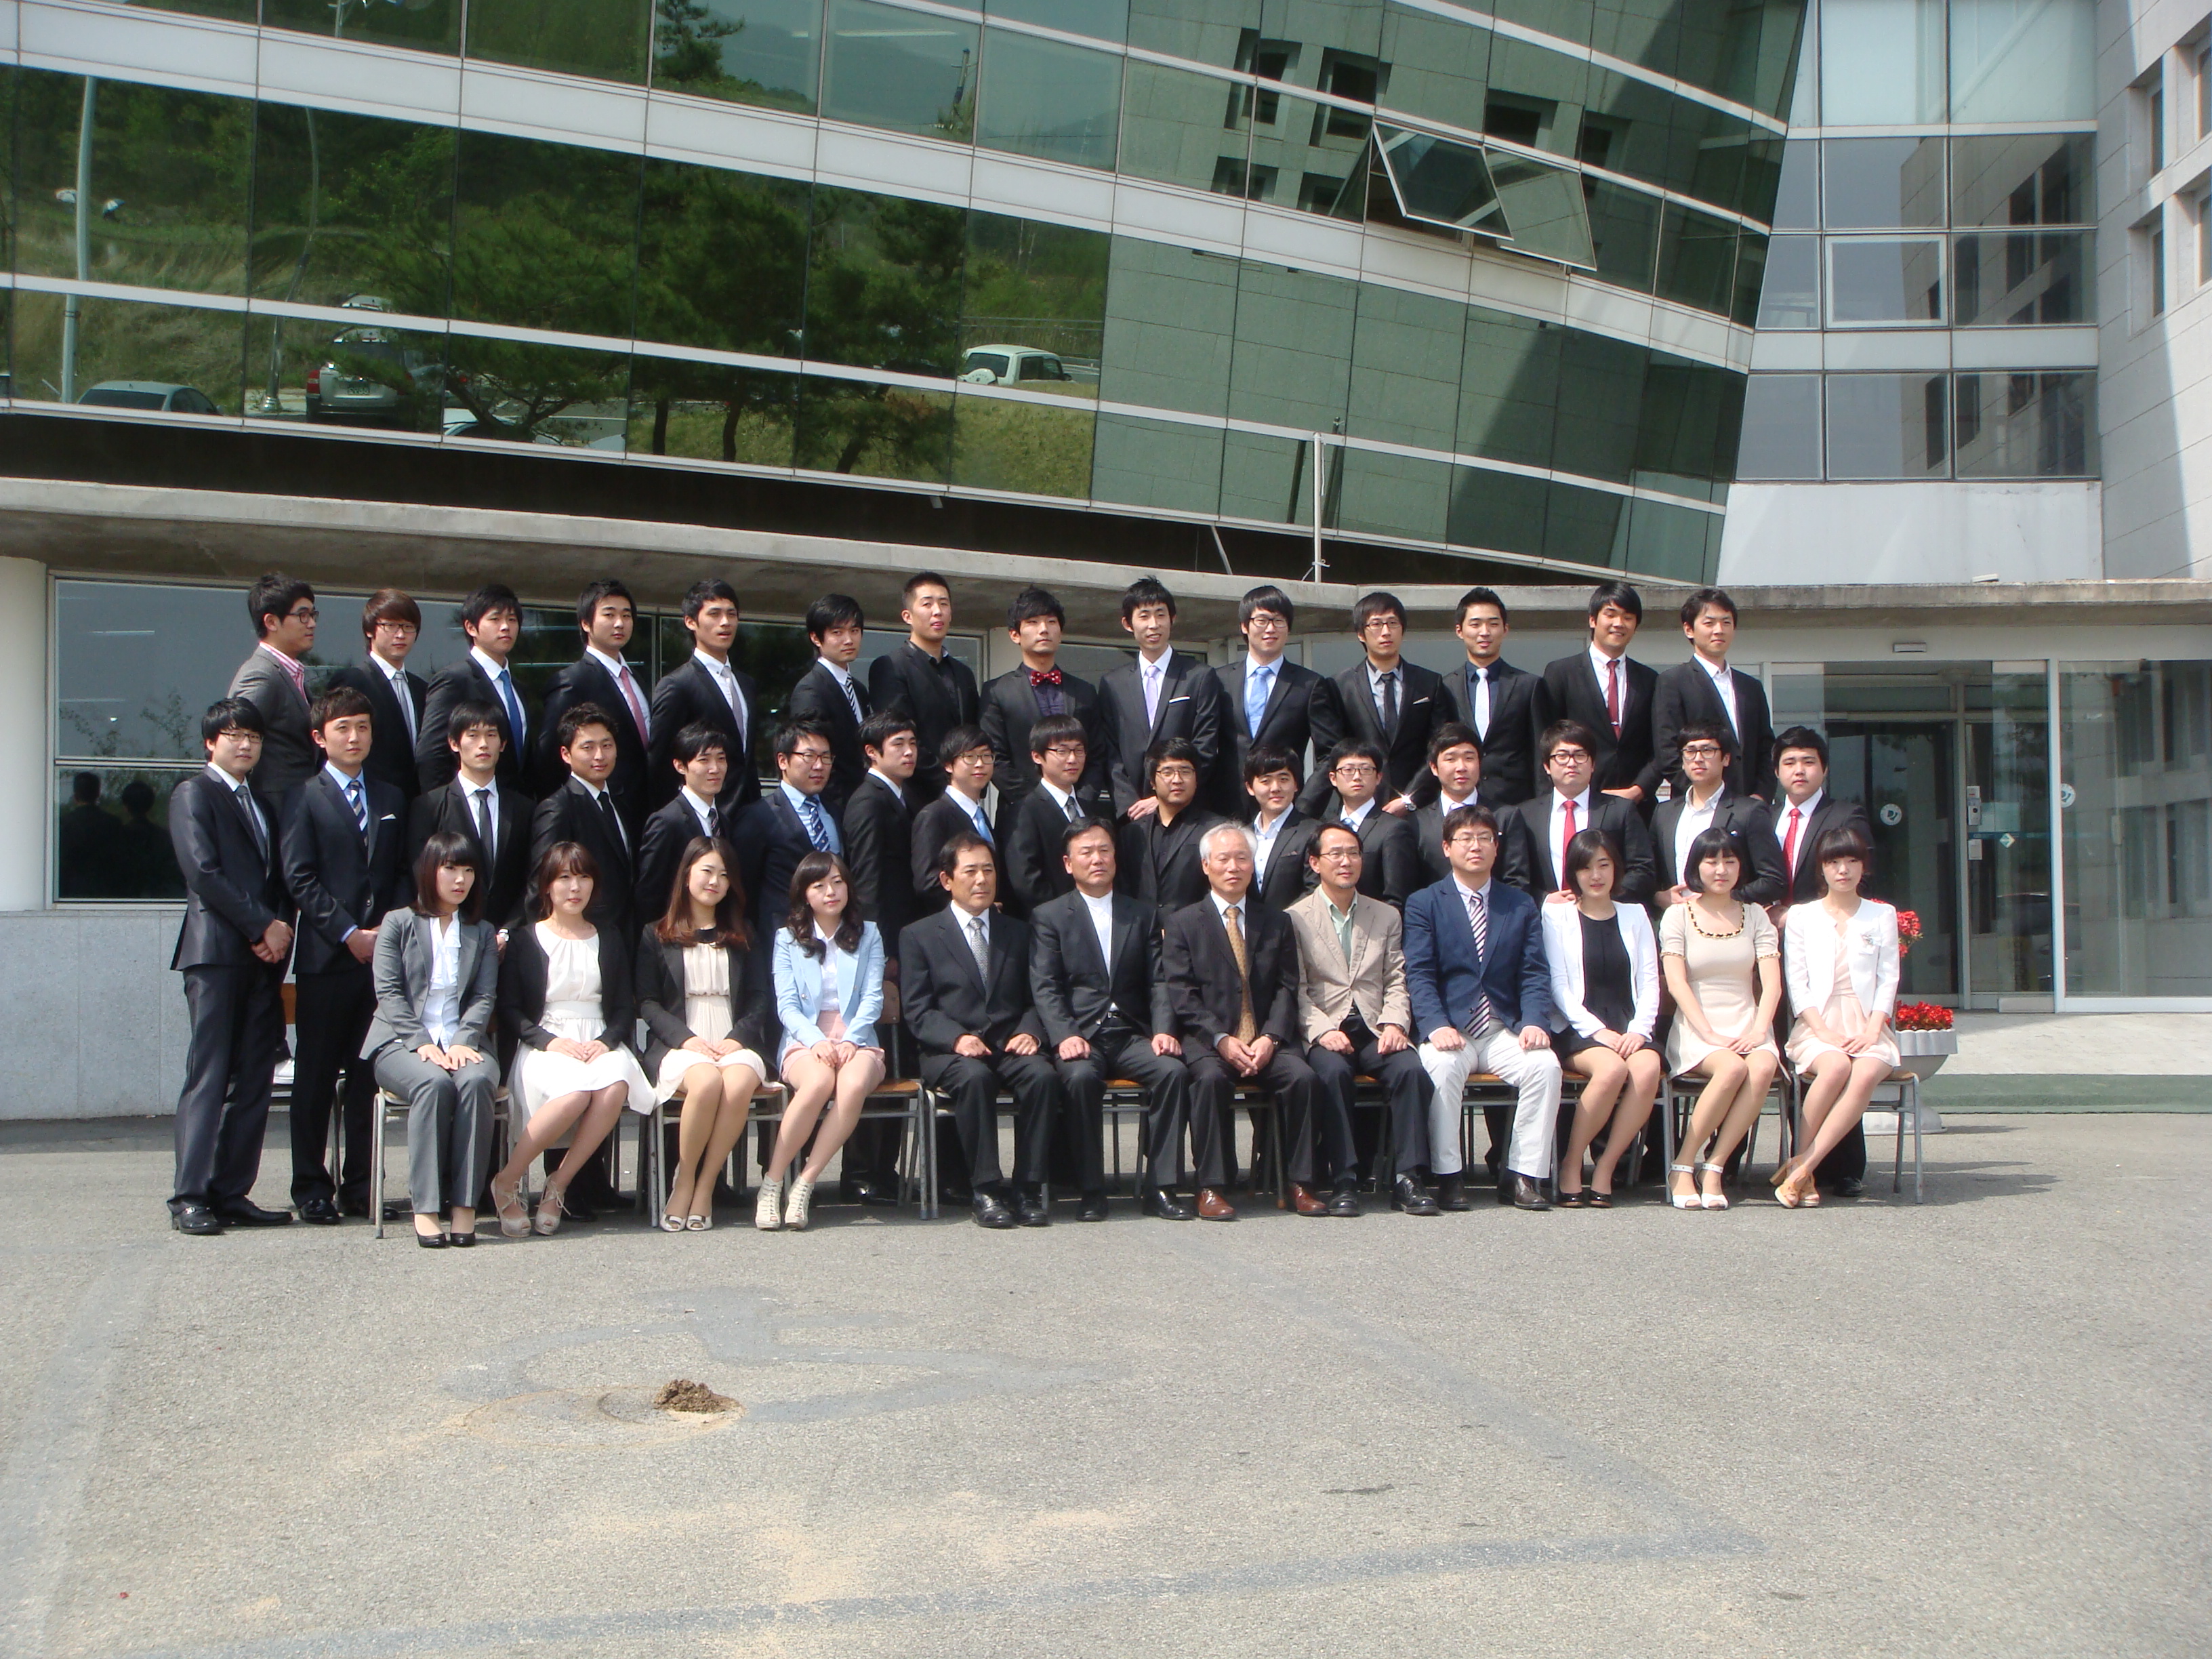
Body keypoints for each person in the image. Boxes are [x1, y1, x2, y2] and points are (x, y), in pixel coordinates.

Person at [166, 698, 295, 1235]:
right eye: (234, 735)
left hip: (262, 962)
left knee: (255, 1079)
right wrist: (260, 925)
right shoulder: (194, 793)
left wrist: (279, 931)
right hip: (216, 955)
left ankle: (232, 1191)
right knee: (211, 1075)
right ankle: (190, 1197)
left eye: (254, 737)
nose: (245, 745)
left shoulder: (262, 803)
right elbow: (203, 872)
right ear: (210, 742)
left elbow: (280, 878)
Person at [281, 685, 409, 1222]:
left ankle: (360, 1186)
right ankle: (311, 1187)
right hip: (327, 959)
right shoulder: (302, 797)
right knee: (314, 1078)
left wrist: (384, 932)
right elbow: (299, 877)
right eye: (342, 728)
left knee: (365, 1077)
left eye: (362, 727)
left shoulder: (391, 797)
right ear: (320, 737)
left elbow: (402, 871)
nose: (354, 737)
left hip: (379, 960)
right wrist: (349, 932)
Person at [1160, 823, 1324, 1223]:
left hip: (1267, 1038)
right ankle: (1211, 1187)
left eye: (1242, 858)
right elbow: (1182, 993)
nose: (1233, 867)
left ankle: (1301, 1182)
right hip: (1210, 1039)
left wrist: (1271, 1037)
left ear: (1253, 865)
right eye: (1223, 859)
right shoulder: (1183, 923)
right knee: (1209, 1081)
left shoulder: (1277, 921)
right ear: (1206, 866)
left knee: (1303, 1078)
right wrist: (1220, 1038)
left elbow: (1287, 987)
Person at [1404, 804, 1563, 1212]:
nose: (1475, 846)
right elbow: (1419, 973)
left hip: (1500, 1028)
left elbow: (1534, 971)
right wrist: (1435, 1024)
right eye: (1465, 839)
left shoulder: (1519, 904)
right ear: (1447, 847)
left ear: (1496, 847)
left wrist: (1534, 1021)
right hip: (1451, 1027)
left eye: (1484, 838)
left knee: (1545, 1066)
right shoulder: (1424, 903)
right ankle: (1448, 1177)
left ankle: (1522, 1176)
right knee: (1442, 1067)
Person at [1029, 819, 1189, 1221]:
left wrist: (1163, 1030)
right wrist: (1064, 1034)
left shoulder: (1142, 913)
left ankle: (1162, 1187)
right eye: (1086, 852)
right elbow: (1046, 986)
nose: (1097, 859)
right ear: (1068, 864)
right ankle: (1091, 1189)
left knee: (1172, 1071)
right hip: (1083, 1034)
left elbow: (1159, 980)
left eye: (1104, 850)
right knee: (1080, 1079)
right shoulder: (1050, 916)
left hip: (1132, 1033)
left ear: (1116, 858)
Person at [492, 842, 653, 1237]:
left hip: (598, 1037)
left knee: (615, 1085)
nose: (575, 887)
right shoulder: (525, 939)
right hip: (545, 1040)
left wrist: (607, 1040)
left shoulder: (608, 937)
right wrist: (548, 1040)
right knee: (576, 1093)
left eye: (583, 877)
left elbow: (622, 1006)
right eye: (564, 877)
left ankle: (558, 1185)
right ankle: (507, 1180)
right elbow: (510, 1009)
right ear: (547, 885)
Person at [901, 835, 1060, 1228]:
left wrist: (1031, 1032)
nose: (982, 880)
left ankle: (1027, 1188)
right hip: (949, 1050)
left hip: (1009, 1043)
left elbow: (1037, 996)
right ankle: (986, 1189)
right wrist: (957, 1038)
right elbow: (918, 1010)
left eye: (988, 870)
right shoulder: (920, 935)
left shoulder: (1019, 932)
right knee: (974, 1079)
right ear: (946, 880)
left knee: (1042, 1076)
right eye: (970, 871)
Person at [364, 832, 500, 1248]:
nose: (460, 880)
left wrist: (464, 1040)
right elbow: (388, 991)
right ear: (429, 871)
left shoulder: (481, 931)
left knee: (477, 1081)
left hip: (464, 1041)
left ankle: (465, 1205)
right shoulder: (398, 922)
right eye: (450, 869)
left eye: (468, 870)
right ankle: (424, 1207)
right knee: (433, 1083)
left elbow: (484, 996)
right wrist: (420, 1041)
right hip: (400, 1043)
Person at [1287, 823, 1429, 1216]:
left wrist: (1395, 1023)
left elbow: (1397, 978)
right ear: (1315, 862)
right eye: (1335, 854)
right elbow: (1296, 989)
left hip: (1375, 1025)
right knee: (1332, 1074)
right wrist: (1321, 1031)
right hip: (1327, 1026)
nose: (1345, 861)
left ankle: (1409, 1178)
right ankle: (1345, 1178)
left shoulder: (1385, 915)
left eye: (1353, 853)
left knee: (1411, 1071)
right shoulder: (1295, 918)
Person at [637, 837, 775, 1231]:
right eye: (707, 872)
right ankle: (684, 1179)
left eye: (724, 875)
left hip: (734, 1038)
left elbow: (759, 996)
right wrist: (685, 1039)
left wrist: (738, 1037)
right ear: (686, 876)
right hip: (679, 1042)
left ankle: (706, 1184)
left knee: (738, 1081)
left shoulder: (743, 933)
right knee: (707, 1081)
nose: (715, 882)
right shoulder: (656, 934)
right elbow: (647, 1002)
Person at [1771, 726, 1877, 1195]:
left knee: (1841, 1057)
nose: (1800, 770)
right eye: (1790, 762)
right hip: (1767, 948)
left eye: (1809, 762)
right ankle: (1798, 1163)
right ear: (1777, 772)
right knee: (1791, 1059)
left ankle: (1842, 1167)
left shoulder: (1844, 815)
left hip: (1825, 945)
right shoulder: (1762, 816)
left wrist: (1798, 915)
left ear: (1824, 769)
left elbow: (1853, 877)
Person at [1774, 827, 1901, 1209]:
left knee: (1864, 1072)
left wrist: (1873, 1030)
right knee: (1834, 1068)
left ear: (1864, 866)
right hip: (1818, 1022)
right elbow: (1797, 982)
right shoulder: (1802, 916)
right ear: (1822, 868)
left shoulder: (1882, 914)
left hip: (1868, 1023)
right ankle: (1806, 1171)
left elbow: (1888, 978)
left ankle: (1801, 1169)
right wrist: (1823, 1031)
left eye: (1851, 861)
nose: (1843, 870)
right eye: (1834, 862)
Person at [1659, 826, 1784, 1212]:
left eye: (1730, 861)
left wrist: (1759, 1031)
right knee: (1731, 1068)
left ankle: (1714, 1166)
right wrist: (1709, 1032)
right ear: (1696, 867)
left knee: (1762, 1066)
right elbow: (1677, 983)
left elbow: (1772, 985)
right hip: (1697, 1026)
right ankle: (1683, 1165)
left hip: (1748, 1022)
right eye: (1711, 861)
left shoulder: (1756, 916)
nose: (1721, 869)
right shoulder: (1678, 915)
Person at [762, 851, 886, 1232]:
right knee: (817, 1082)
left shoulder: (869, 934)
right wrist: (816, 1041)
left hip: (858, 1036)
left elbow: (873, 998)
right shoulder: (787, 939)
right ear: (805, 894)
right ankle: (772, 1183)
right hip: (806, 1037)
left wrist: (851, 1039)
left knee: (851, 1086)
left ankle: (805, 1183)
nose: (831, 892)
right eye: (819, 885)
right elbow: (787, 1005)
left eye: (837, 882)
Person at [1541, 830, 1662, 1208]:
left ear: (1616, 869)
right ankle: (1572, 1162)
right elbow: (1559, 986)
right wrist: (1597, 1031)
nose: (1596, 875)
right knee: (1611, 1070)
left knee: (1647, 1069)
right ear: (1573, 874)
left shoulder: (1635, 914)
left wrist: (1639, 1030)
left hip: (1628, 1023)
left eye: (1604, 865)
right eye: (1586, 868)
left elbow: (1650, 980)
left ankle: (1606, 1167)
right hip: (1578, 1025)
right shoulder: (1557, 916)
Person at [833, 710, 918, 1207]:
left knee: (894, 1059)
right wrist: (879, 953)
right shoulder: (868, 801)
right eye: (898, 744)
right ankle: (862, 1171)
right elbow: (865, 882)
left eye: (913, 743)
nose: (909, 752)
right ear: (872, 752)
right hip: (879, 949)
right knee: (874, 1056)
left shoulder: (900, 796)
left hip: (900, 942)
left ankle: (885, 1169)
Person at [1303, 592, 1442, 817]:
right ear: (1361, 634)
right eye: (1376, 624)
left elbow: (1438, 748)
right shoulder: (1339, 687)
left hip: (1419, 809)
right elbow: (1332, 753)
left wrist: (1410, 799)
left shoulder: (1430, 683)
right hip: (1358, 807)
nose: (1386, 632)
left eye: (1393, 623)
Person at [1099, 577, 1227, 821]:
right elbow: (1110, 751)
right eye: (1144, 616)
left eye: (1161, 615)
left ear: (1172, 619)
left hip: (1186, 810)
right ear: (1128, 624)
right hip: (1133, 814)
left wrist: (1163, 798)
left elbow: (1205, 745)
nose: (1154, 625)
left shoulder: (1199, 676)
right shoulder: (1112, 683)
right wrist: (1129, 805)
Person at [536, 579, 653, 830]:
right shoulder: (573, 681)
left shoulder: (636, 678)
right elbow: (549, 758)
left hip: (643, 809)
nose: (619, 623)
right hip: (596, 813)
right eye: (609, 615)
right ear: (586, 623)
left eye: (626, 615)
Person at [981, 586, 1106, 821]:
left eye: (1051, 622)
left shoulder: (1084, 691)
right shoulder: (997, 691)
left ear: (1061, 632)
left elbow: (1097, 754)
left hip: (1078, 814)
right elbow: (995, 757)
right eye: (1033, 622)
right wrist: (1040, 804)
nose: (1044, 629)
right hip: (1020, 815)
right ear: (1015, 634)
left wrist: (1081, 800)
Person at [407, 699, 531, 933]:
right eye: (473, 735)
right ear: (454, 743)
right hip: (450, 932)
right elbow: (420, 875)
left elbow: (531, 876)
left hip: (510, 935)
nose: (483, 744)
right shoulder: (429, 806)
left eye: (491, 735)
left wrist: (508, 931)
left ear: (503, 744)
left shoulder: (524, 808)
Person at [1503, 721, 1654, 903]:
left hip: (1606, 910)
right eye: (1562, 756)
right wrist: (1544, 899)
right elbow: (1516, 876)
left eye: (1580, 755)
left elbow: (1642, 870)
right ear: (1547, 766)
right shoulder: (1526, 815)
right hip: (1548, 913)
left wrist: (1601, 897)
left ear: (1593, 764)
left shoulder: (1621, 810)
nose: (1572, 763)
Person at [647, 578, 762, 815]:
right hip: (703, 814)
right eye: (715, 614)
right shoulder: (678, 685)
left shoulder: (746, 684)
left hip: (749, 811)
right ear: (691, 622)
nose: (725, 622)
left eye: (731, 614)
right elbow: (660, 762)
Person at [1540, 582, 1661, 806]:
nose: (1619, 623)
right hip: (1579, 801)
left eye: (1628, 617)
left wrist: (1638, 790)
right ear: (1593, 620)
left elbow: (1659, 746)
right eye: (1611, 614)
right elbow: (1547, 739)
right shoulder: (1561, 673)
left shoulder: (1650, 679)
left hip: (1637, 805)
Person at [527, 703, 637, 945]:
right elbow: (541, 883)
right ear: (566, 754)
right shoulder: (558, 808)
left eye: (607, 745)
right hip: (581, 937)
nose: (599, 756)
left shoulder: (621, 802)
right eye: (588, 747)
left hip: (625, 934)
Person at [867, 570, 979, 807]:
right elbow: (899, 734)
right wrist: (950, 784)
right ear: (907, 616)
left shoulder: (963, 673)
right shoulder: (891, 667)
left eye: (944, 604)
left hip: (964, 797)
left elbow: (973, 732)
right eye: (927, 604)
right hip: (915, 797)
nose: (937, 611)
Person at [1654, 587, 1774, 802]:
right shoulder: (1673, 682)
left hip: (1750, 804)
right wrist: (1706, 796)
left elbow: (1766, 747)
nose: (1719, 630)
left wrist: (1761, 795)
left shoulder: (1751, 687)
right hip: (1699, 805)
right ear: (1689, 629)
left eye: (1726, 622)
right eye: (1709, 623)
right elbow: (1668, 751)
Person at [1210, 585, 1320, 816]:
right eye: (1261, 620)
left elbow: (1328, 755)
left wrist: (1304, 806)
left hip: (1285, 809)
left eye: (1278, 621)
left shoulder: (1309, 685)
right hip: (1225, 809)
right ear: (1245, 626)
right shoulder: (1218, 680)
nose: (1270, 629)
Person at [1653, 720, 1786, 909]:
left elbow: (1774, 880)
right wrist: (1659, 897)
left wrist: (1724, 898)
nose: (1698, 758)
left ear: (1726, 759)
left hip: (1730, 919)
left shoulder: (1749, 811)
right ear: (1682, 761)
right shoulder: (1664, 813)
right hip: (1677, 918)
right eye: (1690, 751)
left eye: (1708, 750)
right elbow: (1651, 873)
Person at [1435, 586, 1547, 808]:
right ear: (1459, 630)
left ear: (1505, 629)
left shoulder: (1529, 685)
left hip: (1516, 804)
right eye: (1475, 624)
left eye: (1493, 624)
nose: (1484, 632)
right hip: (1461, 805)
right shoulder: (1445, 687)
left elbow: (1539, 752)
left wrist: (1542, 806)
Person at [416, 583, 530, 794]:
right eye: (495, 619)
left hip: (514, 807)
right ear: (471, 627)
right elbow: (432, 755)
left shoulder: (518, 688)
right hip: (465, 804)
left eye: (512, 620)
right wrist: (444, 806)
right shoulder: (455, 679)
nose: (505, 627)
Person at [733, 718, 842, 933]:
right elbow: (744, 887)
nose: (819, 766)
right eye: (809, 756)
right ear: (783, 761)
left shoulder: (835, 812)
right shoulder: (758, 816)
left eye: (826, 757)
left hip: (833, 934)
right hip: (781, 934)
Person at [228, 573, 320, 806]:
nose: (312, 623)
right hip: (275, 809)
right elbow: (232, 744)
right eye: (302, 615)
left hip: (296, 807)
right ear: (271, 622)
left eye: (313, 614)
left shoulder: (290, 672)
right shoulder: (262, 674)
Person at [328, 589, 427, 805]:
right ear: (370, 630)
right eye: (390, 625)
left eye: (408, 627)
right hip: (370, 802)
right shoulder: (354, 681)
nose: (400, 635)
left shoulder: (422, 689)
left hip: (416, 804)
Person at [633, 722, 730, 926]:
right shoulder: (667, 822)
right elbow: (650, 892)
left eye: (721, 759)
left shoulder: (723, 820)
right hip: (676, 931)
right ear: (680, 766)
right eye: (704, 760)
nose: (715, 769)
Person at [784, 594, 872, 818]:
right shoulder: (811, 690)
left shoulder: (859, 689)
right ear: (816, 638)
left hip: (861, 804)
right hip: (833, 806)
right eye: (837, 633)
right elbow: (813, 757)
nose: (849, 640)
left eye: (854, 631)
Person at [1000, 712, 1091, 918]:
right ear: (1037, 756)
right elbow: (1026, 879)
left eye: (1079, 750)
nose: (1072, 759)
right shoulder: (1023, 811)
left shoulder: (1091, 809)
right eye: (1062, 751)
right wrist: (1064, 917)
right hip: (1051, 923)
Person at [1116, 739, 1223, 913]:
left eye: (1185, 771)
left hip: (1195, 927)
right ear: (1152, 782)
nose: (1177, 780)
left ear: (1197, 779)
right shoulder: (1131, 833)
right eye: (1167, 772)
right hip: (1143, 927)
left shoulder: (1217, 830)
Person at [1319, 740, 1421, 909]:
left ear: (1379, 777)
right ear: (1333, 778)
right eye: (1348, 770)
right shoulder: (1325, 829)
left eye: (1366, 769)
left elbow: (1397, 897)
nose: (1357, 777)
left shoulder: (1394, 829)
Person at [910, 725, 994, 915]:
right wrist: (977, 907)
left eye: (986, 756)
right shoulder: (934, 815)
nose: (980, 764)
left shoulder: (981, 816)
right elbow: (928, 883)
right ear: (948, 765)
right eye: (970, 757)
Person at [1244, 744, 1318, 911]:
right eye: (1266, 781)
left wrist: (1281, 921)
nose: (1275, 788)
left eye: (1284, 779)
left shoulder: (1314, 832)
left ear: (1296, 784)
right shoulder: (1242, 836)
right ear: (1250, 787)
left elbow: (1315, 889)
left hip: (1297, 923)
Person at [1413, 723, 1485, 888]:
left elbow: (1516, 879)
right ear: (1434, 768)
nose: (1461, 767)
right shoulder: (1416, 823)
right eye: (1451, 759)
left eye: (1469, 758)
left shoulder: (1504, 816)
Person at [57, 771, 125, 898]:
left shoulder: (64, 824)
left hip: (72, 894)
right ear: (98, 794)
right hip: (107, 893)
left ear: (75, 795)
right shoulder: (113, 824)